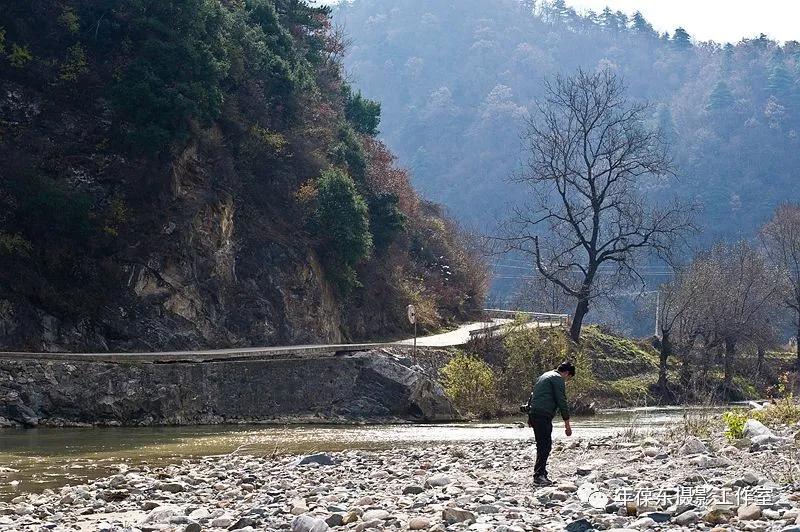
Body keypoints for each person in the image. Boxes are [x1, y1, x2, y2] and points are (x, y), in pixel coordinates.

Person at [526, 361, 575, 486]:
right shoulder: (558, 379)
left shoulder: (544, 376)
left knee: (541, 444)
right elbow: (562, 401)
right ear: (567, 373)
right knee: (545, 445)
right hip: (543, 415)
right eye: (568, 378)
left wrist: (529, 416)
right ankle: (539, 476)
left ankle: (541, 472)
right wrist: (567, 425)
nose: (567, 381)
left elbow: (533, 396)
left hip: (534, 413)